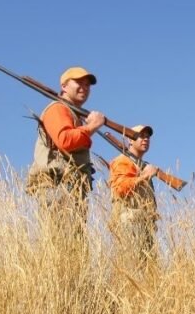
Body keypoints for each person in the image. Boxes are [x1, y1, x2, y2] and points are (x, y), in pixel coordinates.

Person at [27, 66, 106, 243]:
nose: (84, 87)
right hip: (59, 186)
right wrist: (92, 126)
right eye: (78, 82)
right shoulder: (57, 108)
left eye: (87, 85)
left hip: (69, 188)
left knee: (73, 248)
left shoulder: (72, 113)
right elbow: (65, 140)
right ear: (64, 86)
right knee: (64, 244)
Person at [107, 125, 159, 272]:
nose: (145, 139)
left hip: (145, 224)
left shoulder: (141, 164)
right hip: (129, 223)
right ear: (130, 140)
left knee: (149, 271)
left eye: (147, 136)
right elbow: (121, 189)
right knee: (131, 269)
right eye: (141, 136)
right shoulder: (123, 161)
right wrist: (144, 176)